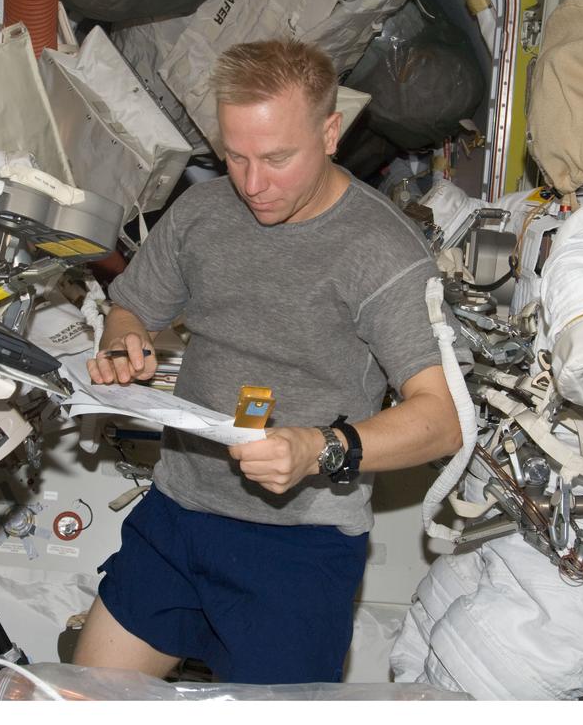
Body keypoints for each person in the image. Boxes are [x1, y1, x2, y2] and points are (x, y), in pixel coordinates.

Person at [71, 39, 461, 684]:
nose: (252, 184)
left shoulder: (382, 253)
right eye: (236, 155)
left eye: (278, 158)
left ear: (331, 133)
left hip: (296, 546)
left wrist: (319, 449)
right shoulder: (203, 212)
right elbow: (130, 306)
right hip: (176, 513)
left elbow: (442, 418)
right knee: (82, 701)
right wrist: (122, 340)